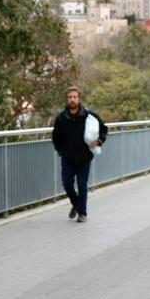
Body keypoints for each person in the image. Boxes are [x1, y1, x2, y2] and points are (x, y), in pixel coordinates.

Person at [52, 86, 108, 223]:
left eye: (74, 97)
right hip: (67, 157)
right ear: (67, 99)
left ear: (79, 98)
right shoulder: (61, 118)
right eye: (70, 97)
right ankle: (76, 204)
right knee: (67, 184)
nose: (72, 99)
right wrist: (60, 150)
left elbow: (104, 128)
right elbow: (55, 136)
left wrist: (99, 141)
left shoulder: (89, 115)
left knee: (82, 184)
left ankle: (82, 213)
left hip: (84, 157)